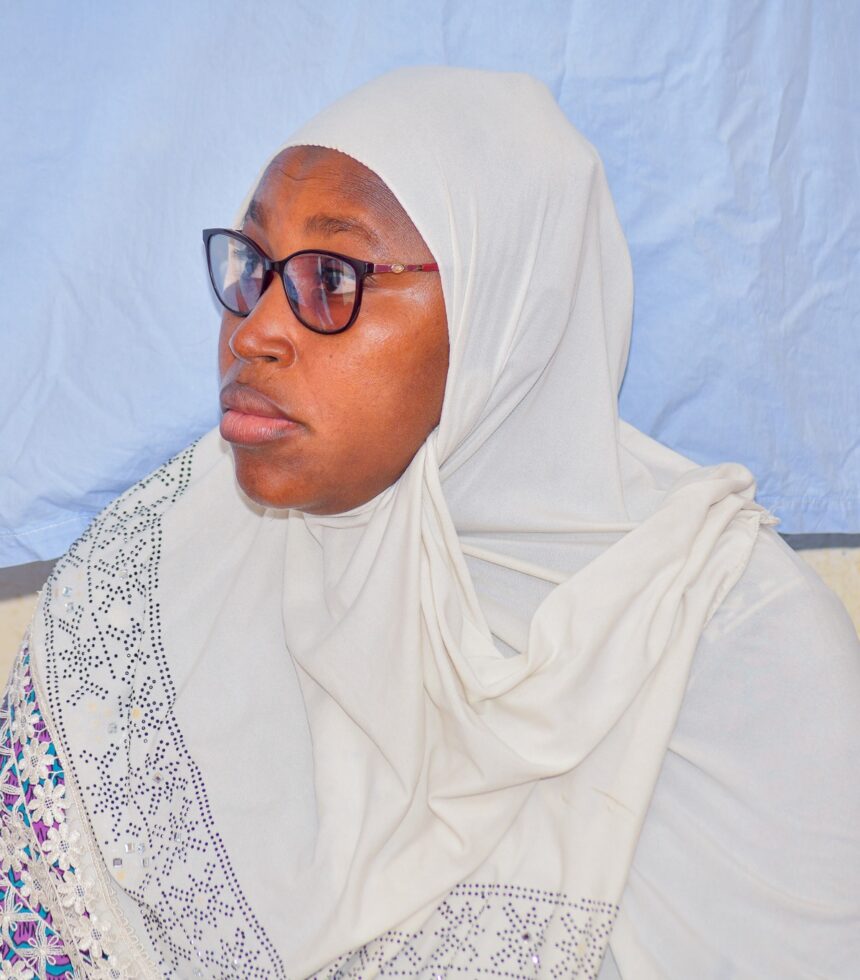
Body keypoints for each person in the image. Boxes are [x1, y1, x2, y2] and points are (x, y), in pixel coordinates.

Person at [2, 66, 858, 979]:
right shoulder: (147, 578)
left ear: (503, 317)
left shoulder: (728, 638)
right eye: (254, 267)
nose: (253, 332)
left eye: (331, 278)